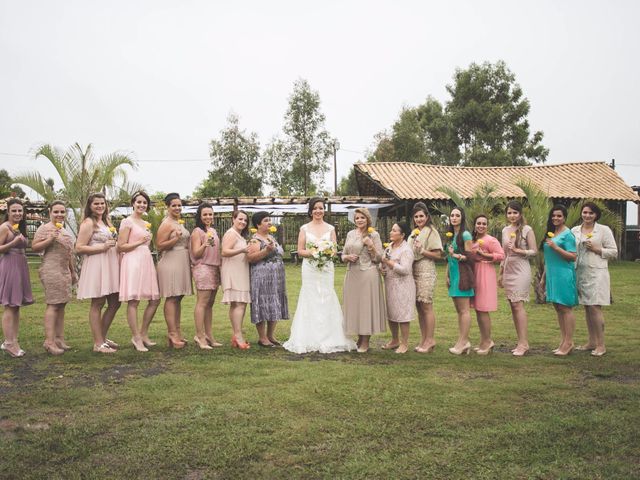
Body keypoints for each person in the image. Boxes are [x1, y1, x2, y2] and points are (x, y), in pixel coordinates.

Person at [283, 198, 356, 354]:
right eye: (315, 208)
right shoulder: (304, 228)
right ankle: (308, 336)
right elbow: (300, 250)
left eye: (321, 208)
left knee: (326, 296)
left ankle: (330, 336)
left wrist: (326, 253)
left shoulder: (330, 229)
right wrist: (313, 253)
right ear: (310, 211)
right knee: (310, 297)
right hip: (309, 268)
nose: (318, 211)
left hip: (326, 268)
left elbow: (335, 250)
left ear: (324, 210)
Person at [76, 193, 121, 354]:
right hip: (97, 264)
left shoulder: (106, 221)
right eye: (96, 204)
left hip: (110, 263)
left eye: (102, 203)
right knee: (98, 303)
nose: (100, 206)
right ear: (90, 206)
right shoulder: (88, 223)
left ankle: (102, 336)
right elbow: (79, 247)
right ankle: (98, 343)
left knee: (115, 302)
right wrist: (101, 247)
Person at [571, 202, 617, 357]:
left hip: (597, 273)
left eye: (591, 213)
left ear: (596, 215)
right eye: (585, 212)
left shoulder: (603, 230)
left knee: (594, 307)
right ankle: (591, 341)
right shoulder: (575, 230)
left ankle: (601, 344)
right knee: (586, 306)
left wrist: (597, 249)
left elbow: (614, 252)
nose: (587, 216)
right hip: (580, 272)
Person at [31, 200, 77, 355]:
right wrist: (50, 239)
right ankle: (49, 341)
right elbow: (35, 246)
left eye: (62, 212)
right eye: (56, 212)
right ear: (50, 212)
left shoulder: (63, 229)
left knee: (62, 304)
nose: (59, 215)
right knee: (53, 304)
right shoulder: (45, 229)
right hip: (51, 269)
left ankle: (59, 338)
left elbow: (69, 253)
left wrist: (72, 271)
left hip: (64, 270)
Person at [117, 191, 160, 352]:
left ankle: (143, 333)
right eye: (139, 202)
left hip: (146, 259)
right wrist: (139, 242)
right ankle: (135, 337)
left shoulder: (145, 223)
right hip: (132, 260)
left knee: (154, 299)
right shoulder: (127, 222)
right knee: (134, 300)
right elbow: (121, 246)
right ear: (133, 203)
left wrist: (145, 242)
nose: (142, 205)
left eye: (144, 203)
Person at [341, 207, 385, 353]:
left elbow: (379, 258)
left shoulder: (374, 235)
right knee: (355, 306)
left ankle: (365, 340)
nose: (359, 220)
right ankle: (359, 337)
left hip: (368, 273)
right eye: (357, 218)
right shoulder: (350, 234)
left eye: (362, 217)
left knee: (366, 307)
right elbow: (343, 254)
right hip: (352, 273)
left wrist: (371, 246)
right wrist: (347, 257)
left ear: (368, 219)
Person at [498, 201, 537, 356]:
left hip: (521, 268)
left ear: (520, 214)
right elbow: (503, 253)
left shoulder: (527, 230)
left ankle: (524, 343)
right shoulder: (505, 230)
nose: (512, 215)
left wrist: (519, 250)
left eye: (515, 212)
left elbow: (534, 251)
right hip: (509, 268)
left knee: (518, 305)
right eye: (509, 213)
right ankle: (519, 341)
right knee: (512, 305)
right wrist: (501, 272)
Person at [540, 204, 578, 356]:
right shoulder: (551, 233)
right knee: (557, 307)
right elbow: (548, 259)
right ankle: (564, 341)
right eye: (553, 215)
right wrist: (543, 278)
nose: (555, 218)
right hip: (551, 275)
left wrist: (556, 247)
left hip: (563, 274)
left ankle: (569, 342)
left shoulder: (568, 235)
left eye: (559, 216)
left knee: (565, 307)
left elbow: (573, 256)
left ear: (564, 217)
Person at [156, 193, 193, 348]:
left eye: (179, 205)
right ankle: (171, 334)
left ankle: (177, 332)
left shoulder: (178, 222)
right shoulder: (167, 223)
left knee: (178, 297)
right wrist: (174, 239)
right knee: (171, 297)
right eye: (174, 205)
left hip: (182, 261)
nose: (177, 208)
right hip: (171, 261)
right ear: (168, 207)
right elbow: (159, 245)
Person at [247, 211, 288, 347]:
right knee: (263, 303)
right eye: (266, 220)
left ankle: (271, 335)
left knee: (274, 303)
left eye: (269, 220)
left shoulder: (272, 237)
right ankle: (262, 337)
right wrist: (266, 251)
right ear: (258, 224)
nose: (269, 222)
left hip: (276, 278)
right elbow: (251, 258)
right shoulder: (254, 240)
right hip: (262, 278)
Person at [0, 198, 33, 357]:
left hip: (21, 264)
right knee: (10, 304)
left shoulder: (19, 227)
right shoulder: (5, 228)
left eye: (20, 210)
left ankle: (14, 339)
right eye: (14, 210)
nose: (18, 213)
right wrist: (13, 243)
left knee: (16, 304)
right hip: (10, 265)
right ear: (8, 211)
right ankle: (8, 342)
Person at [408, 202, 443, 353]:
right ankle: (423, 339)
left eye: (421, 216)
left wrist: (422, 251)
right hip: (413, 270)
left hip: (426, 269)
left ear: (427, 216)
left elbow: (438, 255)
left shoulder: (431, 231)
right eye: (416, 217)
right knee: (419, 306)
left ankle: (430, 339)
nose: (419, 219)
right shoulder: (414, 232)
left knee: (426, 304)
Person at [469, 214, 504, 355]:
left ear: (487, 226)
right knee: (478, 309)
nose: (481, 226)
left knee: (483, 308)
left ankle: (488, 341)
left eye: (484, 223)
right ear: (475, 225)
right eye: (479, 223)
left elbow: (501, 255)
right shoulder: (472, 240)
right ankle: (483, 341)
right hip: (475, 272)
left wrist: (485, 255)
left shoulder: (491, 240)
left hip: (485, 272)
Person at [190, 203, 223, 349]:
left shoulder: (213, 231)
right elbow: (196, 253)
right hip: (203, 268)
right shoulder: (197, 232)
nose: (208, 217)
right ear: (200, 216)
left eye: (210, 214)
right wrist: (204, 244)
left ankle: (209, 336)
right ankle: (199, 335)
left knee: (210, 304)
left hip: (214, 267)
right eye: (205, 214)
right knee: (202, 302)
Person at [380, 222, 415, 354]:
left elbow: (405, 270)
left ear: (402, 234)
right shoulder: (389, 247)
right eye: (391, 230)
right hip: (390, 284)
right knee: (392, 313)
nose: (391, 232)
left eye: (394, 230)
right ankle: (394, 340)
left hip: (403, 285)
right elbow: (383, 261)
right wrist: (381, 269)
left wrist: (388, 262)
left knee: (403, 314)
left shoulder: (406, 250)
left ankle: (404, 343)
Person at [221, 209, 251, 349]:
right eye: (240, 219)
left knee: (238, 304)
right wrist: (242, 250)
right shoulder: (231, 234)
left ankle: (236, 335)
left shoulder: (239, 235)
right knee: (239, 303)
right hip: (233, 270)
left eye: (245, 220)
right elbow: (225, 251)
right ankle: (238, 336)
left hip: (240, 270)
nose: (243, 222)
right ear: (233, 219)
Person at [446, 207, 474, 355]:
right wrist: (447, 275)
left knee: (464, 310)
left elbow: (470, 257)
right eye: (452, 215)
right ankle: (463, 340)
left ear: (462, 218)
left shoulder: (465, 234)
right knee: (459, 311)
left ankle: (463, 341)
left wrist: (456, 255)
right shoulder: (451, 235)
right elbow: (448, 257)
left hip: (463, 275)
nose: (454, 218)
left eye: (457, 215)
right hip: (453, 275)